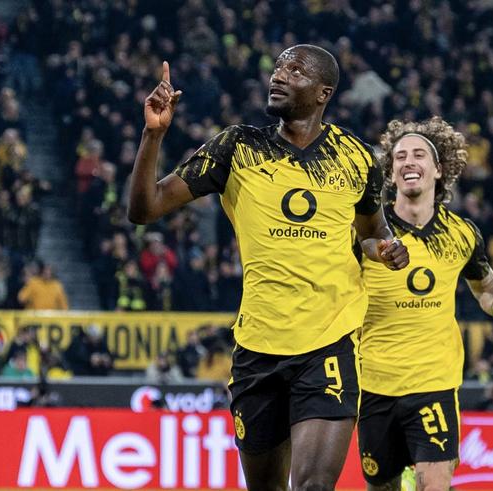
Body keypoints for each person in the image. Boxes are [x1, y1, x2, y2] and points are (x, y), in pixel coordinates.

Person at [128, 45, 410, 491]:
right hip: (259, 348)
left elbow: (372, 232)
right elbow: (145, 209)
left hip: (329, 343)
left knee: (314, 486)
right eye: (278, 68)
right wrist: (153, 135)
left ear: (323, 93)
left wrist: (386, 250)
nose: (278, 76)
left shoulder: (356, 158)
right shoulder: (237, 147)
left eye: (294, 71)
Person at [357, 117, 493, 491]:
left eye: (418, 155)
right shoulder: (366, 232)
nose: (408, 162)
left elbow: (486, 286)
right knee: (381, 486)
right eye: (399, 157)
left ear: (438, 169)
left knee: (434, 484)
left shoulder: (461, 233)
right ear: (391, 173)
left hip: (434, 382)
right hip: (374, 382)